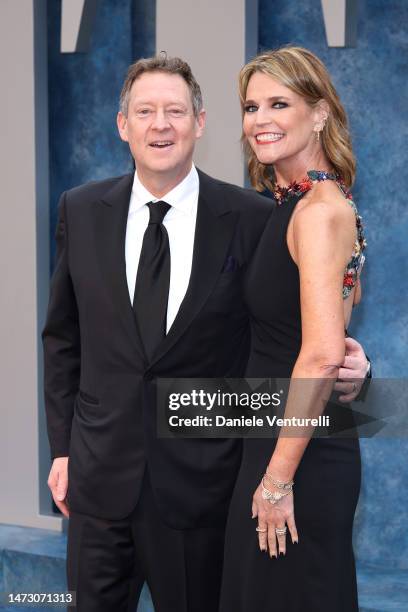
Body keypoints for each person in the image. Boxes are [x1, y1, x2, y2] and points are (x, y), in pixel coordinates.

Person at [43, 54, 368, 612]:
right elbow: (63, 339)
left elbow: (300, 332)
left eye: (175, 110)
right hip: (99, 482)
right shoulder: (80, 209)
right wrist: (63, 450)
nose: (160, 125)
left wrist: (349, 365)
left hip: (204, 491)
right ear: (123, 125)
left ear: (200, 122)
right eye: (144, 111)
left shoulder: (255, 215)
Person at [220, 46, 366, 612]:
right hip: (278, 434)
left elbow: (324, 355)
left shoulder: (321, 211)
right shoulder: (298, 204)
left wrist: (277, 481)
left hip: (296, 452)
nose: (260, 120)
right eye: (251, 106)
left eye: (279, 103)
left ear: (321, 112)